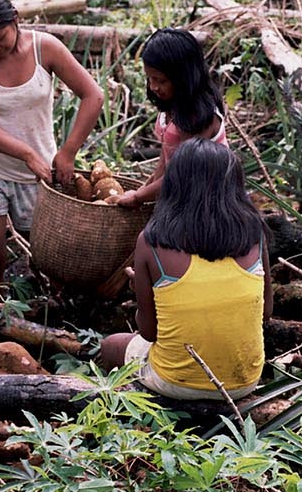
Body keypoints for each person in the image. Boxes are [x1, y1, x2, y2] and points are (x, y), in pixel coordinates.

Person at [99, 138, 272, 401]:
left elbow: (148, 332)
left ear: (174, 185)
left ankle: (128, 412)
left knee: (111, 345)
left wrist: (141, 290)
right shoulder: (254, 235)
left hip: (174, 382)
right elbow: (266, 313)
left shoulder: (152, 241)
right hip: (243, 382)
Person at [0, 0, 104, 296]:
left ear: (15, 19)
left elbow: (93, 95)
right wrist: (25, 152)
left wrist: (68, 152)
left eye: (0, 38)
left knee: (51, 257)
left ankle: (56, 323)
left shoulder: (45, 48)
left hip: (38, 172)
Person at [108, 27, 227, 208]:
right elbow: (166, 161)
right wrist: (143, 191)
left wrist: (139, 197)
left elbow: (182, 174)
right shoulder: (172, 106)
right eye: (150, 79)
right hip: (178, 194)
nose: (154, 87)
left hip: (206, 203)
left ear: (183, 77)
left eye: (161, 80)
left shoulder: (198, 118)